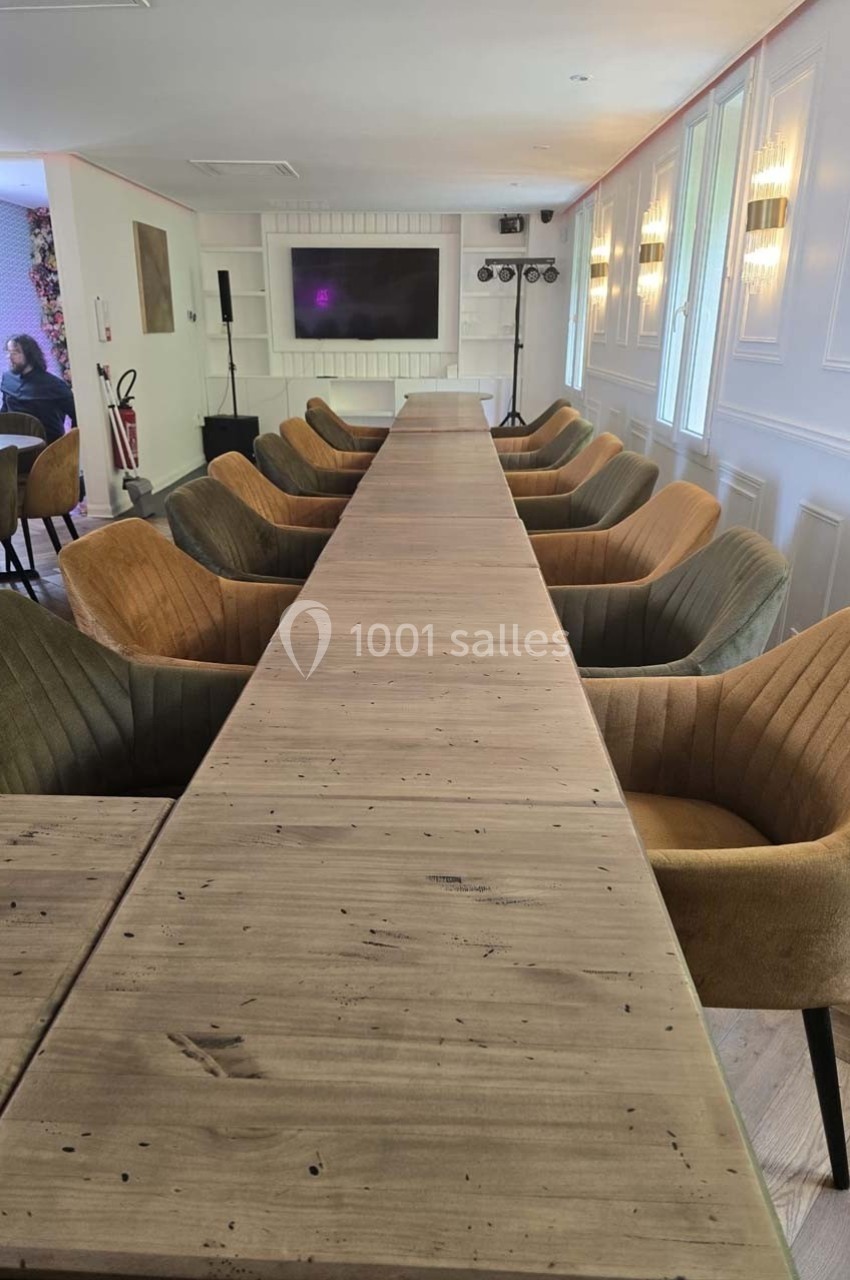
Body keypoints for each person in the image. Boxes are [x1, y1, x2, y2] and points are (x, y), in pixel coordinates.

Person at [1, 334, 75, 444]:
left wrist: (71, 443)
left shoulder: (53, 385)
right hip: (16, 448)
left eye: (15, 353)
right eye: (8, 352)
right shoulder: (7, 379)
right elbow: (5, 412)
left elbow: (77, 413)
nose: (9, 357)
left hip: (47, 449)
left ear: (29, 355)